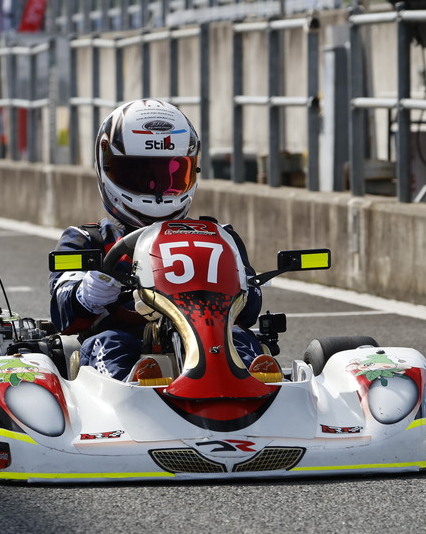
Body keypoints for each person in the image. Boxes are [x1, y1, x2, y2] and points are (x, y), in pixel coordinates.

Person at [48, 99, 270, 382]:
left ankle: (259, 387)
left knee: (240, 338)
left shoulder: (218, 236)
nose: (156, 188)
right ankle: (129, 388)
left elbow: (249, 311)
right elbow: (62, 314)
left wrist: (242, 289)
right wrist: (87, 294)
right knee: (109, 343)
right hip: (125, 340)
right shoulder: (87, 239)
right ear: (107, 168)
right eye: (140, 175)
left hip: (209, 338)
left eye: (172, 174)